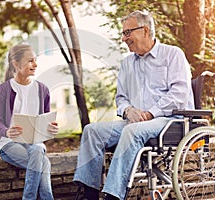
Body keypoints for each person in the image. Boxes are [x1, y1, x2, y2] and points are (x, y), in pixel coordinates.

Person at [73, 10, 194, 200]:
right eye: (123, 33)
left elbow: (179, 94)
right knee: (91, 131)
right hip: (136, 122)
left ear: (145, 30)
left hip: (169, 120)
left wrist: (150, 113)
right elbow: (121, 98)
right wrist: (128, 110)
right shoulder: (127, 63)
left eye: (127, 32)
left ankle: (113, 195)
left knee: (132, 131)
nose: (123, 38)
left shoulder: (172, 55)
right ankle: (89, 193)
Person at [0, 44, 59, 200]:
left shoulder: (42, 89)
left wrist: (51, 129)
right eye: (30, 61)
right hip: (9, 143)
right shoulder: (3, 89)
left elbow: (45, 119)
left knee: (37, 152)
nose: (35, 65)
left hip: (35, 143)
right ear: (16, 64)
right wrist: (7, 131)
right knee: (44, 163)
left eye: (35, 60)